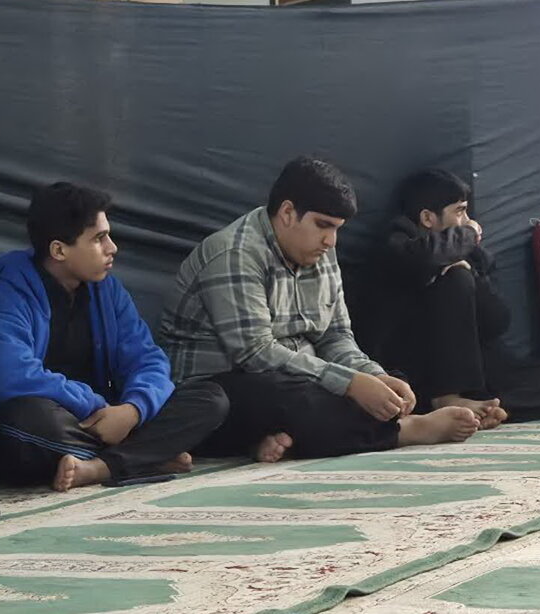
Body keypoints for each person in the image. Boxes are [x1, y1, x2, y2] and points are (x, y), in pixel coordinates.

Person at [155, 156, 479, 463]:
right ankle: (402, 431)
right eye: (323, 225)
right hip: (221, 390)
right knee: (294, 397)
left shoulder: (321, 251)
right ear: (287, 213)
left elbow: (335, 337)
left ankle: (285, 439)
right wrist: (349, 383)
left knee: (387, 382)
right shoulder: (235, 254)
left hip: (297, 379)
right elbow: (255, 354)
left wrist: (372, 375)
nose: (331, 241)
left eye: (337, 228)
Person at [0, 183, 228, 492]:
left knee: (210, 399)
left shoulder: (107, 288)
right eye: (99, 238)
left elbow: (147, 358)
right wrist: (96, 406)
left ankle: (99, 467)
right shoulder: (9, 287)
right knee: (27, 421)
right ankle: (145, 455)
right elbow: (12, 376)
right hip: (61, 420)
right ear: (59, 250)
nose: (112, 248)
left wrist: (132, 410)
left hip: (113, 419)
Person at [352, 169, 540, 424]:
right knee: (455, 278)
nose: (469, 221)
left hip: (473, 370)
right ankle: (447, 399)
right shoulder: (396, 244)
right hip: (418, 369)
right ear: (427, 218)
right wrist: (467, 237)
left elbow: (497, 321)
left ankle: (488, 410)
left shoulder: (472, 255)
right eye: (459, 212)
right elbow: (426, 257)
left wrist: (471, 275)